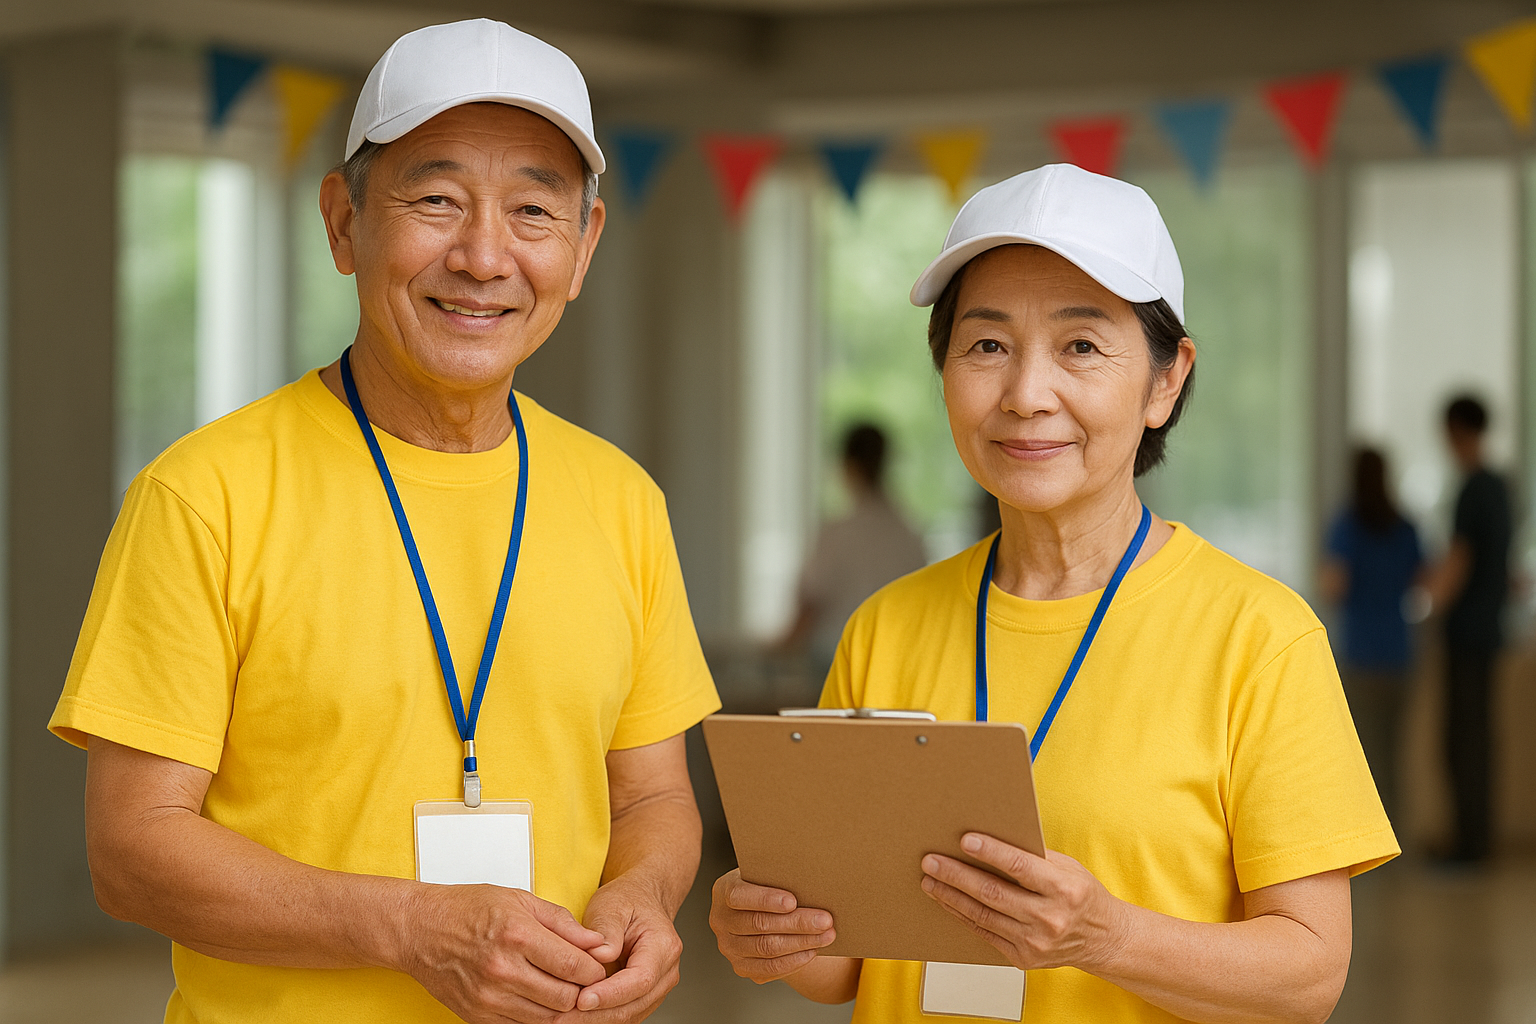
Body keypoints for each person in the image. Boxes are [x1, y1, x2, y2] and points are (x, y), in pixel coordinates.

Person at [50, 19, 719, 1024]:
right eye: (436, 199)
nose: (484, 254)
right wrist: (413, 926)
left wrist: (641, 896)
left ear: (582, 249)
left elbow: (655, 799)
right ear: (342, 222)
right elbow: (133, 852)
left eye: (533, 209)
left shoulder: (621, 498)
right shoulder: (204, 494)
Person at [710, 164, 1398, 1023]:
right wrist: (773, 936)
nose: (1026, 395)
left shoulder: (1260, 637)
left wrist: (1106, 937)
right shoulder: (883, 629)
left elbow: (1308, 976)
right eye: (988, 345)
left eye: (1080, 346)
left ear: (1165, 380)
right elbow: (848, 967)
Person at [1425, 394, 1511, 864]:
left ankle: (1470, 845)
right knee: (1477, 735)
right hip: (1490, 629)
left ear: (1458, 429)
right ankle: (1475, 839)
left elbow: (1459, 561)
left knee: (1464, 738)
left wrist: (1424, 607)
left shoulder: (1474, 489)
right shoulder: (1499, 486)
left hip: (1468, 634)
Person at [1321, 447, 1423, 822]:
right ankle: (1398, 843)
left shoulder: (1347, 526)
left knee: (1362, 758)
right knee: (1395, 758)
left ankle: (1367, 844)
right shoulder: (1405, 526)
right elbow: (1422, 580)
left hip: (1361, 653)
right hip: (1399, 653)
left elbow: (1334, 585)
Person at [782, 423, 927, 676]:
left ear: (850, 466)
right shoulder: (909, 534)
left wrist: (779, 650)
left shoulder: (838, 533)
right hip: (897, 663)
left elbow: (810, 606)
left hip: (835, 663)